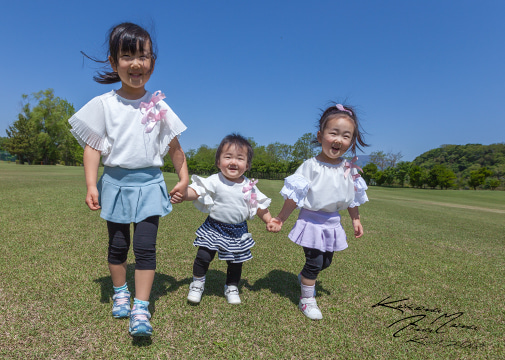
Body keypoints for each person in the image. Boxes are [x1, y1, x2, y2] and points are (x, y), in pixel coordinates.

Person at [69, 22, 189, 336]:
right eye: (127, 56)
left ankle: (141, 308)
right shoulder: (104, 105)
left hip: (150, 185)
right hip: (115, 185)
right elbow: (93, 147)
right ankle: (121, 292)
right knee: (118, 246)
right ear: (114, 62)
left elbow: (174, 146)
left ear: (151, 63)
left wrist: (184, 176)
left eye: (143, 56)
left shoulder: (158, 106)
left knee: (146, 248)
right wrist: (92, 184)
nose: (135, 63)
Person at [267, 104, 369, 320]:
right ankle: (306, 299)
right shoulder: (310, 166)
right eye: (333, 133)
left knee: (326, 262)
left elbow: (352, 198)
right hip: (311, 221)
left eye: (346, 136)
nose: (338, 140)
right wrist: (281, 218)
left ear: (351, 142)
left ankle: (304, 276)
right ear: (320, 135)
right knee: (314, 262)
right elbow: (295, 197)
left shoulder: (348, 169)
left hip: (333, 222)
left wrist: (356, 219)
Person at [183, 134, 273, 305]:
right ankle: (197, 283)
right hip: (213, 227)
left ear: (247, 165)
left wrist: (269, 220)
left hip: (237, 231)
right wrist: (182, 194)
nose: (233, 162)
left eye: (240, 158)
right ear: (218, 162)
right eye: (228, 157)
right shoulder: (215, 180)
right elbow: (197, 191)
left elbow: (259, 206)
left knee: (235, 263)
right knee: (203, 255)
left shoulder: (248, 186)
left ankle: (231, 286)